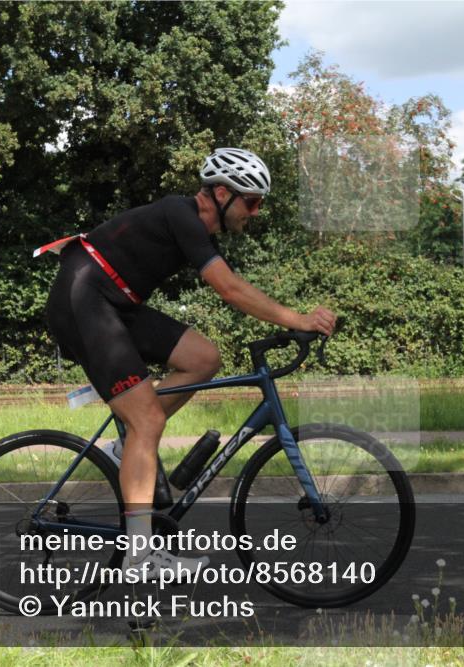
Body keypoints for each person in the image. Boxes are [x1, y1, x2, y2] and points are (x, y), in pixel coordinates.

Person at [41, 148, 336, 580]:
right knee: (147, 422)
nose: (255, 213)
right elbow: (230, 290)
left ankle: (128, 448)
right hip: (83, 300)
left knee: (204, 358)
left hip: (113, 300)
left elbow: (232, 288)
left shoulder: (196, 228)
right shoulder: (181, 214)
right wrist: (298, 318)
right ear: (220, 193)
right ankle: (138, 557)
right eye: (251, 201)